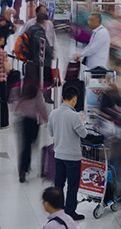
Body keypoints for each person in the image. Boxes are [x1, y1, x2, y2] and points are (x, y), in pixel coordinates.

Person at [47, 87, 87, 220]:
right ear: (75, 99)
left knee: (59, 184)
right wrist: (82, 122)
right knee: (72, 185)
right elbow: (84, 134)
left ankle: (57, 210)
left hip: (58, 154)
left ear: (63, 98)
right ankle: (70, 212)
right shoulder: (75, 116)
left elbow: (51, 132)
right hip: (73, 157)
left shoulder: (53, 113)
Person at [12, 73, 47, 183]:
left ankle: (24, 168)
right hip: (32, 121)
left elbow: (13, 103)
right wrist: (46, 119)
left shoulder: (18, 88)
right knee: (31, 145)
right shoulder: (35, 91)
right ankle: (26, 166)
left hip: (21, 121)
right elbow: (41, 106)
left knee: (24, 146)